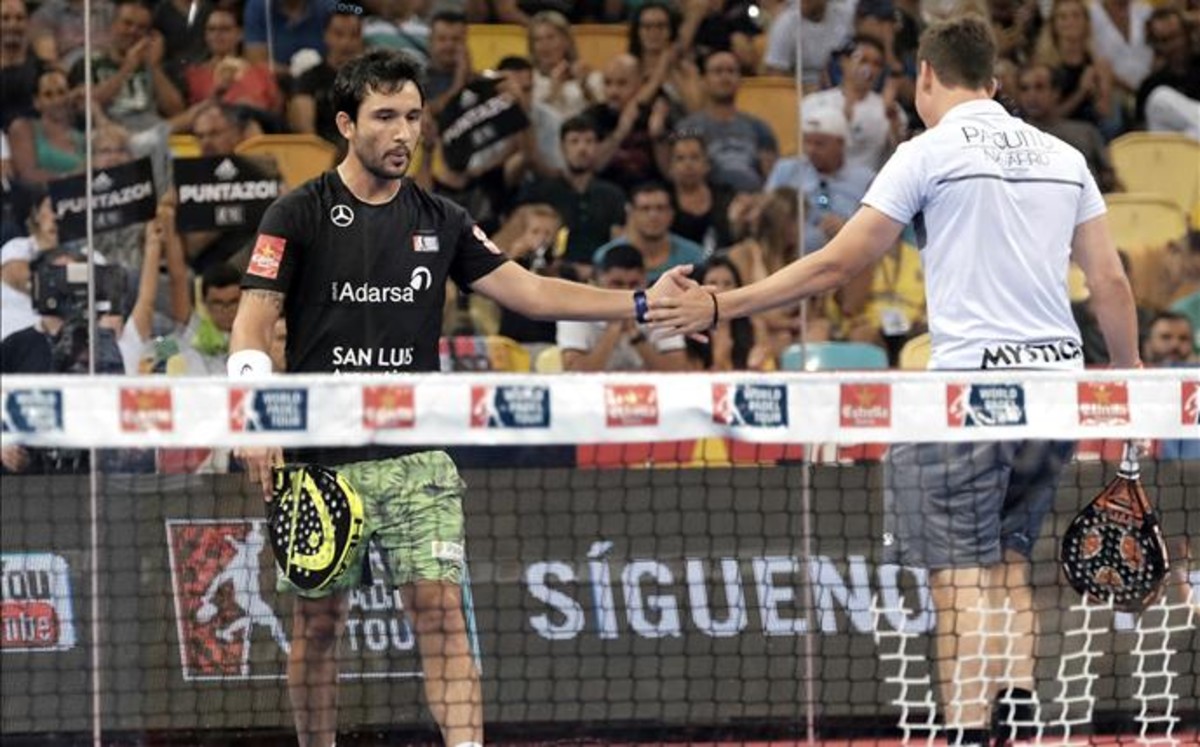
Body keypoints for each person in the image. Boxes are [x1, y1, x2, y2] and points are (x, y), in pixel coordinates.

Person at [649, 16, 1140, 746]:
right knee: (1008, 561)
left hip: (967, 400)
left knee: (959, 574)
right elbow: (1109, 282)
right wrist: (1130, 387)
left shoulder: (926, 152)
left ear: (925, 76)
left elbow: (836, 263)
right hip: (1054, 393)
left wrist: (720, 304)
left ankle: (967, 730)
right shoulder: (1065, 157)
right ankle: (1017, 713)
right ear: (994, 82)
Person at [228, 49, 693, 747]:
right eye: (385, 117)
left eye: (414, 117)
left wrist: (639, 302)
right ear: (346, 124)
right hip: (319, 461)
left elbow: (530, 291)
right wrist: (252, 412)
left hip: (418, 454)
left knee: (442, 615)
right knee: (318, 626)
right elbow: (254, 320)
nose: (403, 133)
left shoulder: (441, 218)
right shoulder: (297, 213)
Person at [558, 243, 688, 372]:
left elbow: (678, 371)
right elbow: (573, 372)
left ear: (645, 283)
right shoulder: (576, 311)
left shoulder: (661, 311)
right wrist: (612, 331)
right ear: (597, 281)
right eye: (617, 283)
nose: (627, 292)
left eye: (634, 284)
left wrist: (636, 337)